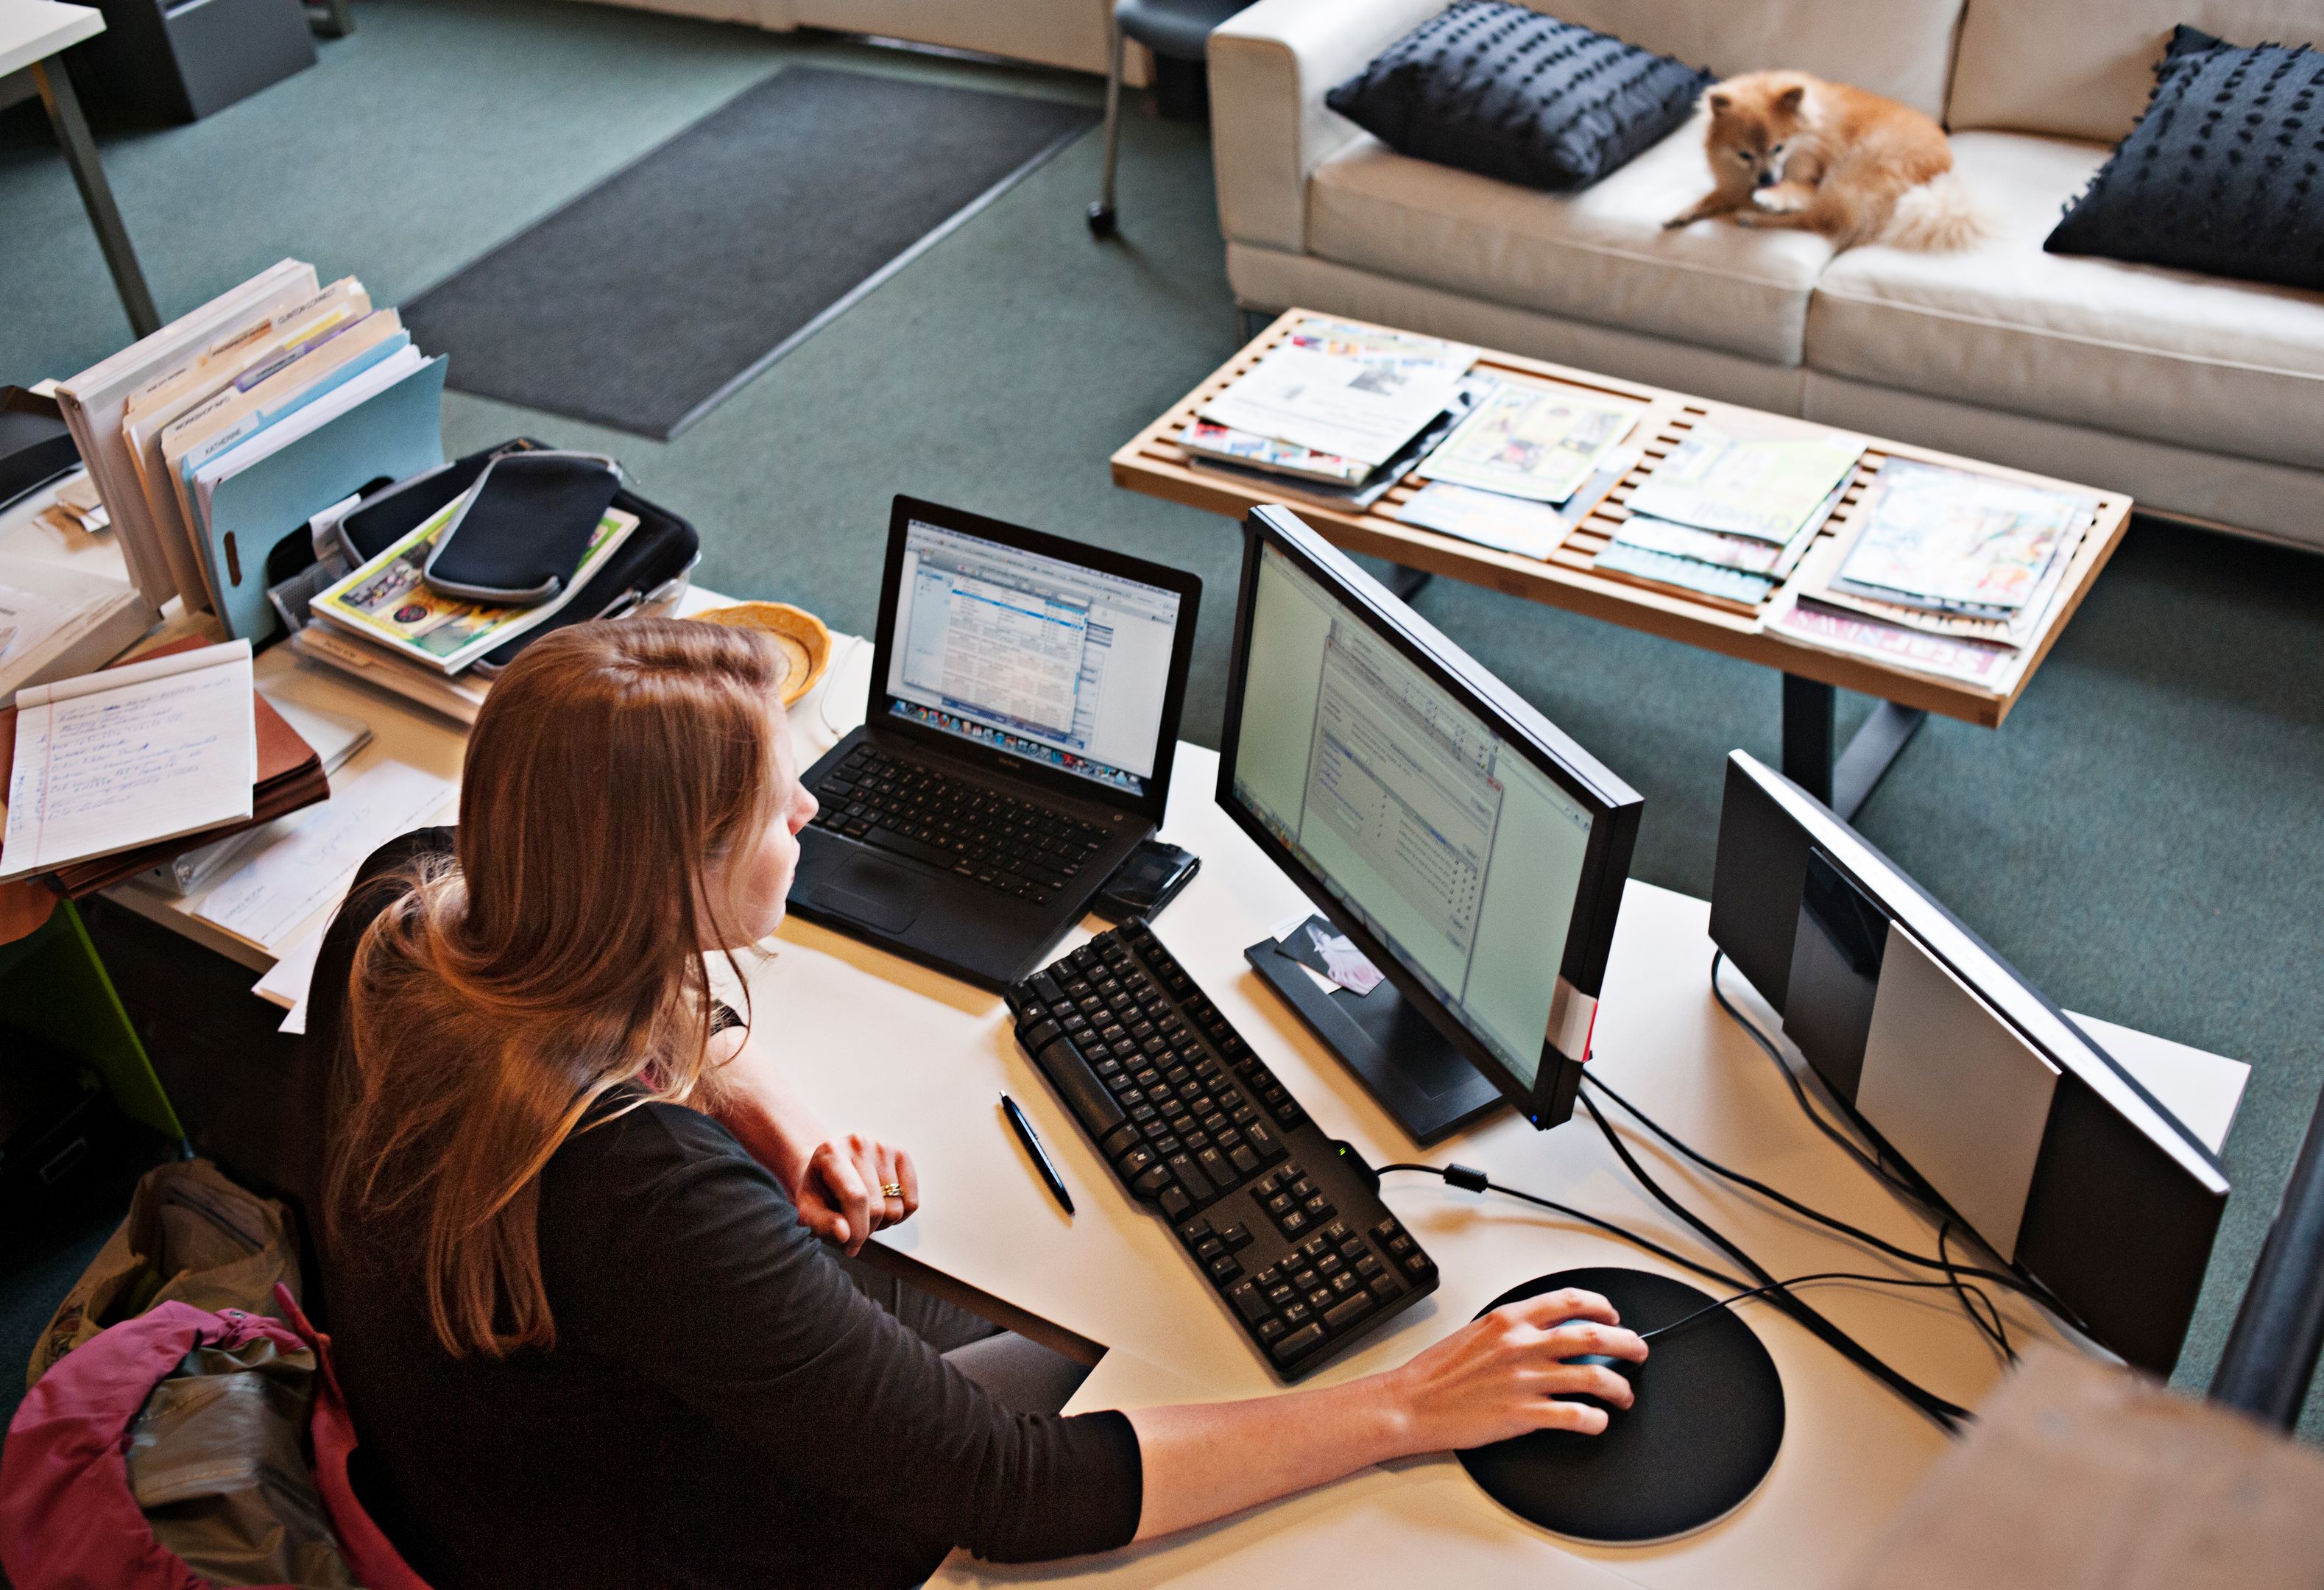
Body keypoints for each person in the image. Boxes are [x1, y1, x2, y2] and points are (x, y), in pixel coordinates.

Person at [297, 618, 1645, 1590]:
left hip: (473, 1468)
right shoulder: (639, 1200)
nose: (812, 810)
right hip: (640, 1545)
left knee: (1032, 1324)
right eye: (776, 810)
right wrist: (1409, 1405)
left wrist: (761, 1103)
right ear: (670, 887)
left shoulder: (404, 911)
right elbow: (1009, 1493)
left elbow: (609, 989)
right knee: (1135, 1386)